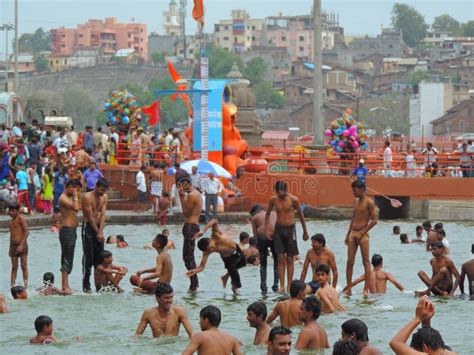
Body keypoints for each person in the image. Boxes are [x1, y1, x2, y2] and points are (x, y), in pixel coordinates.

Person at [265, 181, 309, 292]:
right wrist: (267, 230)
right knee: (280, 258)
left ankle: (289, 285)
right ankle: (282, 285)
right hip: (279, 229)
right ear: (275, 191)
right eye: (278, 192)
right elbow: (267, 214)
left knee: (290, 258)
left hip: (290, 229)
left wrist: (305, 231)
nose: (280, 194)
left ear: (286, 190)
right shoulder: (273, 200)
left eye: (282, 192)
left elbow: (301, 215)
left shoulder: (293, 200)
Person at [187, 219, 246, 293]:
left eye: (211, 246)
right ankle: (234, 288)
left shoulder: (215, 234)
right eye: (209, 249)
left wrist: (203, 230)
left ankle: (225, 277)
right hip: (228, 259)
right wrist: (194, 271)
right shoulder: (207, 252)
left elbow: (214, 220)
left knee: (243, 264)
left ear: (210, 240)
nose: (212, 249)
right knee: (236, 278)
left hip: (236, 249)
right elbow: (202, 266)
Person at [344, 180, 377, 296]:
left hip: (363, 234)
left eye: (354, 190)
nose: (353, 192)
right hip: (353, 233)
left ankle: (366, 289)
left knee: (366, 261)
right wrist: (348, 235)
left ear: (362, 189)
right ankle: (349, 289)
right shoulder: (356, 201)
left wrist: (362, 232)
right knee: (349, 261)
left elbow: (374, 221)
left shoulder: (369, 202)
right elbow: (353, 218)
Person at [390, 297, 455, 355]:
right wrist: (426, 320)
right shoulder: (449, 352)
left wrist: (418, 318)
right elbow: (427, 337)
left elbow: (395, 343)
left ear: (424, 348)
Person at [81, 177, 109, 293]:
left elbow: (102, 215)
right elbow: (90, 217)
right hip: (88, 228)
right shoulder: (87, 197)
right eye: (101, 190)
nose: (102, 193)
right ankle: (86, 286)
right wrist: (98, 231)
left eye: (104, 191)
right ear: (96, 186)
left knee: (100, 258)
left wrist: (101, 231)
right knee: (88, 258)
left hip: (99, 228)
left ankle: (99, 285)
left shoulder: (105, 197)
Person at [178, 177, 202, 292]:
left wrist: (182, 197)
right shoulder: (196, 193)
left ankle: (194, 284)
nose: (181, 187)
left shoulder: (192, 195)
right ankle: (194, 283)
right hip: (191, 226)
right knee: (188, 257)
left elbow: (187, 213)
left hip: (190, 226)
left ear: (187, 184)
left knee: (188, 257)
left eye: (182, 185)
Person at [58, 179, 81, 294]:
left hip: (71, 230)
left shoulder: (69, 198)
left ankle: (66, 285)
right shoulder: (63, 198)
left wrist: (75, 196)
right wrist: (76, 195)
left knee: (69, 257)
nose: (77, 192)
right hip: (67, 230)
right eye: (76, 189)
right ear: (70, 187)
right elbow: (76, 208)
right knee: (66, 257)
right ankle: (64, 286)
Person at [250, 204, 279, 293]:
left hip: (262, 236)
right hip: (275, 235)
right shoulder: (274, 213)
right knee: (277, 262)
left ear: (255, 212)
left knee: (263, 264)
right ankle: (276, 285)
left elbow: (255, 236)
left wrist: (256, 245)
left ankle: (263, 287)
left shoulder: (255, 218)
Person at [9, 202, 29, 288]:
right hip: (13, 246)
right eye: (10, 211)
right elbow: (11, 234)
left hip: (22, 245)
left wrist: (21, 245)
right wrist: (10, 248)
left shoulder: (20, 218)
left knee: (23, 265)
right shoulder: (10, 221)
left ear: (18, 211)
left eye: (13, 211)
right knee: (14, 267)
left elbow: (26, 232)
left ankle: (26, 285)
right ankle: (12, 286)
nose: (11, 212)